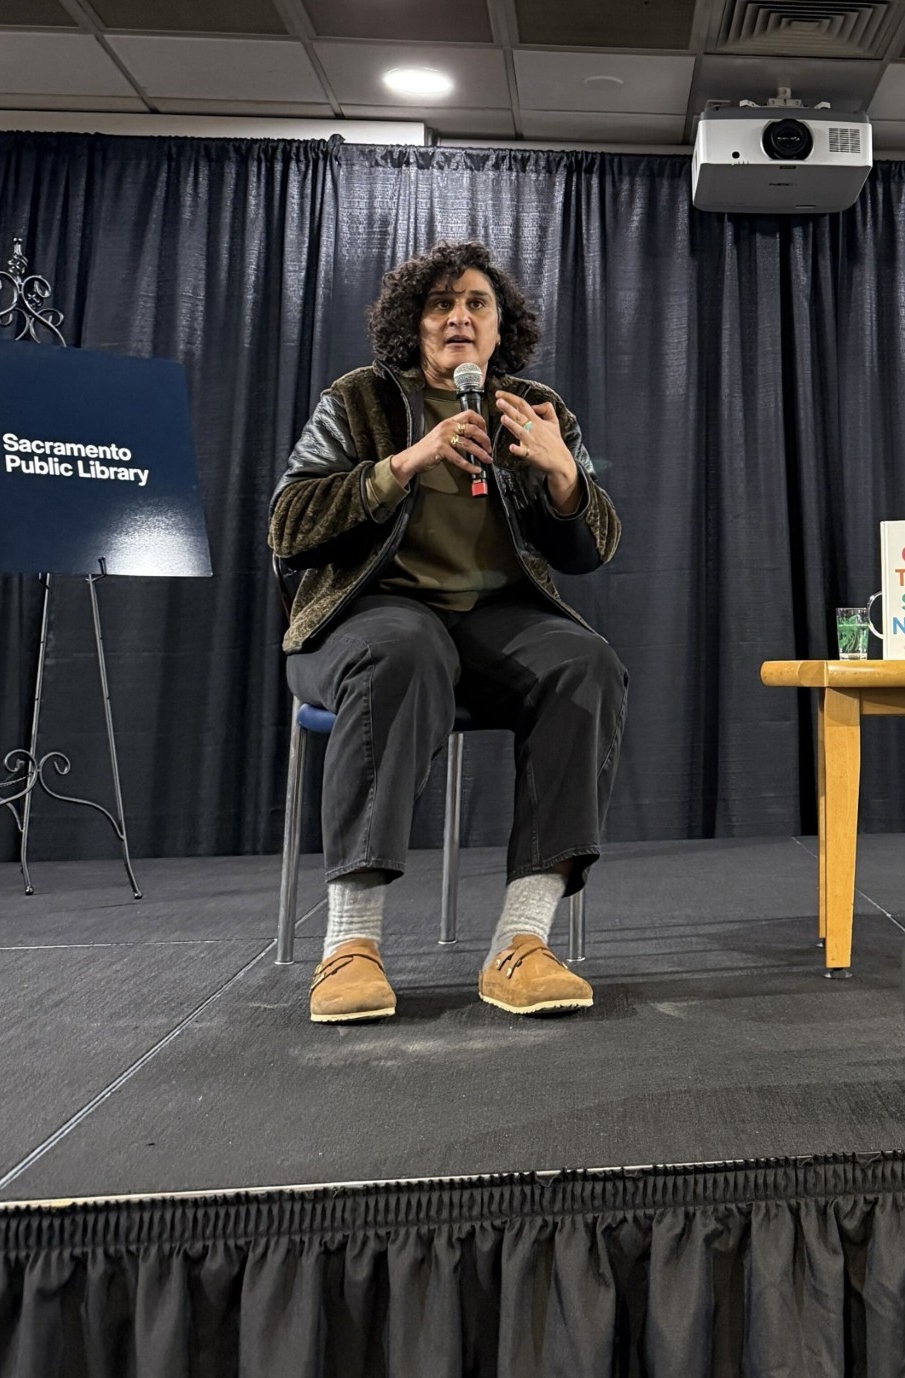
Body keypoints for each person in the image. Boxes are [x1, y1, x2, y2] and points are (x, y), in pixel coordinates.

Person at [270, 241, 625, 1024]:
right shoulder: (358, 400)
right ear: (414, 322)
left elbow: (591, 548)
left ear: (501, 328)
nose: (459, 317)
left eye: (477, 304)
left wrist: (565, 477)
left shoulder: (534, 408)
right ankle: (351, 945)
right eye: (440, 303)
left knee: (586, 664)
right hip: (365, 616)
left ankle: (522, 941)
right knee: (404, 647)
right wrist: (405, 463)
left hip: (491, 623)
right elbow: (288, 525)